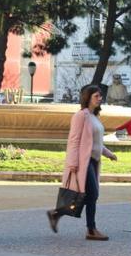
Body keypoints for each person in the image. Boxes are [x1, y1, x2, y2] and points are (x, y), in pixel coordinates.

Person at [47, 84, 118, 240]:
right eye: (96, 96)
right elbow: (74, 141)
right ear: (88, 98)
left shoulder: (94, 116)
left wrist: (109, 154)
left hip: (93, 161)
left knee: (88, 195)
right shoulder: (81, 116)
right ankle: (91, 229)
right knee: (92, 194)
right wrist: (72, 163)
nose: (100, 99)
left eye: (100, 96)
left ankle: (56, 213)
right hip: (82, 163)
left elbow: (96, 142)